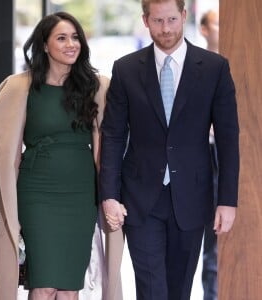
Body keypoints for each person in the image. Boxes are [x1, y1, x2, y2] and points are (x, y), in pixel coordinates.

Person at [99, 0, 239, 299]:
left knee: (179, 290)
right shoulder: (125, 69)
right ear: (146, 20)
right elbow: (111, 135)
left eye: (172, 19)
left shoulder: (215, 68)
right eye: (158, 20)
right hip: (139, 199)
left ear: (184, 17)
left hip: (191, 196)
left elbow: (228, 139)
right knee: (151, 289)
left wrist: (227, 201)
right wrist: (109, 196)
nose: (166, 29)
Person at [0, 11, 110, 300]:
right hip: (37, 193)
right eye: (62, 38)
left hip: (80, 194)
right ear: (44, 45)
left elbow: (104, 148)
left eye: (75, 37)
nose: (71, 44)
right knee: (43, 286)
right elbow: (9, 152)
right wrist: (6, 204)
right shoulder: (21, 87)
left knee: (68, 288)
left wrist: (108, 197)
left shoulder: (97, 86)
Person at [200, 9, 220, 300]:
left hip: (228, 155)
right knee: (209, 242)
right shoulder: (196, 66)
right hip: (203, 155)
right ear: (204, 29)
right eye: (218, 23)